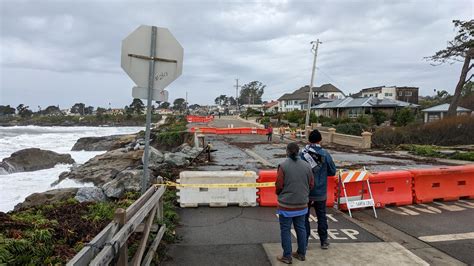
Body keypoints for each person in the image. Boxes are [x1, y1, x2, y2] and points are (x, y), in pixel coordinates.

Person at [275, 143, 314, 264]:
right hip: (302, 204)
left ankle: (287, 256)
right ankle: (301, 253)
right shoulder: (307, 166)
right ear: (298, 152)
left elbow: (279, 185)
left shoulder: (283, 166)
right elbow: (312, 184)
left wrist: (280, 194)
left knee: (285, 230)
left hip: (286, 205)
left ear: (287, 151)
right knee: (301, 228)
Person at [301, 129, 336, 250]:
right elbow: (332, 171)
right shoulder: (325, 154)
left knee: (304, 216)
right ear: (320, 140)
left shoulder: (303, 154)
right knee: (321, 216)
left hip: (306, 191)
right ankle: (324, 240)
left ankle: (304, 241)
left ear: (309, 140)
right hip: (321, 191)